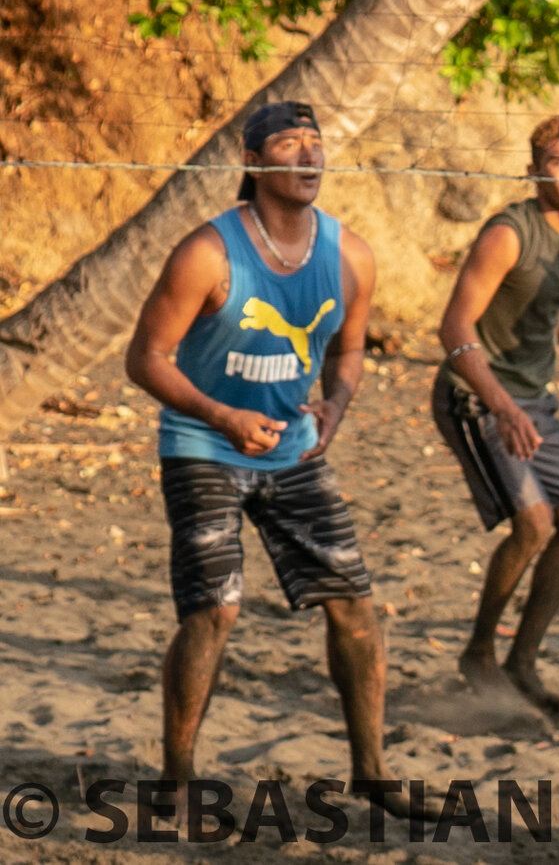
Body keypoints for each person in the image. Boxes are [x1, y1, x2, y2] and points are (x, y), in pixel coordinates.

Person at [123, 101, 415, 816]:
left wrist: (334, 409)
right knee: (215, 610)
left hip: (293, 447)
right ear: (254, 162)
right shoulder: (209, 252)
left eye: (316, 144)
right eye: (290, 144)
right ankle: (179, 777)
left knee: (354, 605)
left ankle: (372, 773)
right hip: (203, 443)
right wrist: (221, 414)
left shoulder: (349, 254)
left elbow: (348, 348)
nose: (309, 156)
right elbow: (145, 357)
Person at [432, 115, 559, 715]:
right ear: (534, 171)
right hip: (475, 394)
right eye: (558, 163)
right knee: (534, 524)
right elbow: (454, 328)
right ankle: (478, 653)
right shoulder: (508, 233)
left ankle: (522, 660)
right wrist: (499, 406)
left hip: (533, 398)